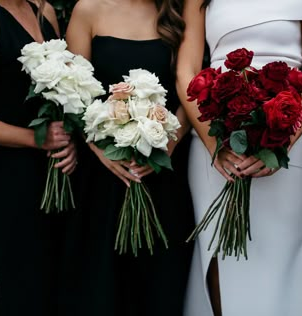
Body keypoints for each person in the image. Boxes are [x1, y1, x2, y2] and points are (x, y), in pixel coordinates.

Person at [176, 0, 302, 315]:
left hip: (291, 138)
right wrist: (215, 143)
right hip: (217, 136)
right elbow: (185, 71)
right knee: (220, 258)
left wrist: (282, 140)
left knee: (284, 258)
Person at [66, 0, 194, 315]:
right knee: (103, 283)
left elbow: (189, 89)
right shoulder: (88, 10)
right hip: (102, 173)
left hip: (163, 170)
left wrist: (167, 146)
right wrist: (100, 149)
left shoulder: (177, 13)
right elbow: (73, 92)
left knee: (161, 283)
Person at [0, 0, 78, 315]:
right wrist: (36, 139)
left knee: (65, 284)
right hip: (14, 178)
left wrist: (69, 139)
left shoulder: (43, 10)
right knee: (28, 287)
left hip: (61, 173)